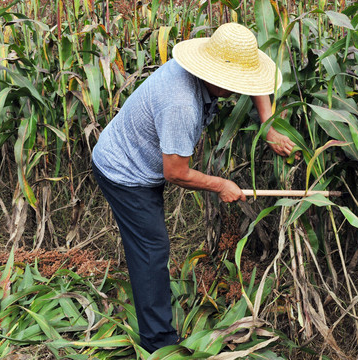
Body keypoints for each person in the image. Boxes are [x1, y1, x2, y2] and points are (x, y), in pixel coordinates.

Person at [91, 22, 298, 353]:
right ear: (214, 75)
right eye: (234, 84)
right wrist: (221, 184)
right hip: (124, 172)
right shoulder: (181, 105)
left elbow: (255, 79)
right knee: (151, 251)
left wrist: (268, 126)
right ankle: (161, 345)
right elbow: (175, 172)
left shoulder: (210, 69)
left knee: (150, 245)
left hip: (144, 160)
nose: (240, 89)